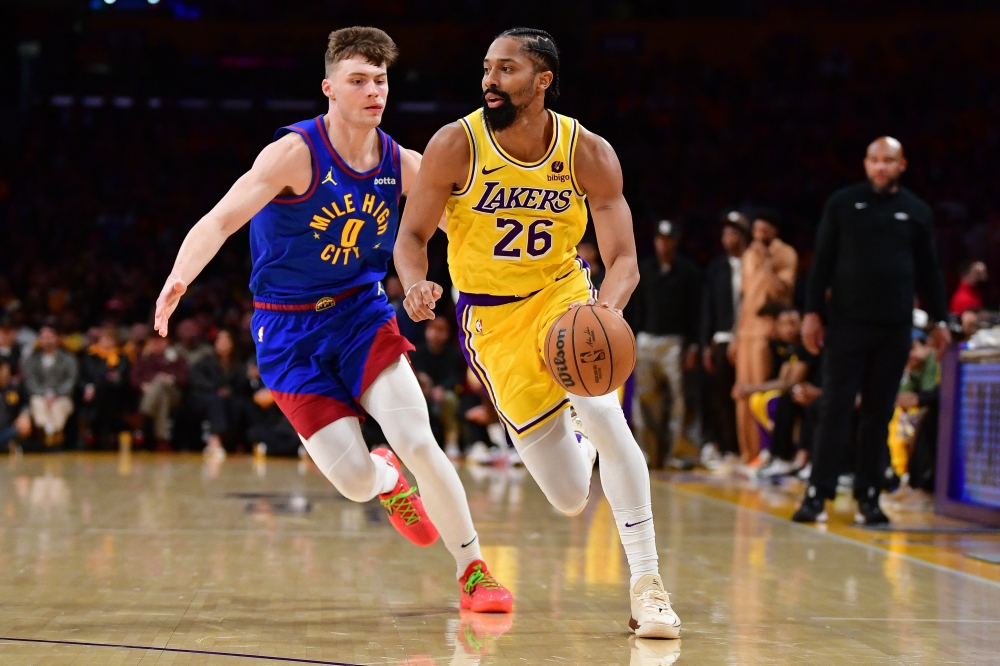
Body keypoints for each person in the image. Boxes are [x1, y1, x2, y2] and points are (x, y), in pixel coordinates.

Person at [151, 27, 511, 613]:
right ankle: (386, 481)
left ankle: (473, 569)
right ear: (329, 89)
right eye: (358, 80)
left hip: (361, 315)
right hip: (287, 332)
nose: (373, 91)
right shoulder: (294, 153)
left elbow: (468, 230)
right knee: (353, 482)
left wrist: (535, 269)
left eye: (381, 80)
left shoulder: (404, 163)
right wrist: (179, 278)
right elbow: (220, 220)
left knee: (419, 438)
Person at [394, 28, 680, 638]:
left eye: (507, 70)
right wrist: (415, 284)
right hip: (492, 321)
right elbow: (412, 237)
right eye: (487, 69)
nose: (490, 81)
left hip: (562, 296)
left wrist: (603, 313)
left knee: (604, 412)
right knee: (570, 496)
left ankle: (649, 586)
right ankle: (576, 433)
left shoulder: (587, 152)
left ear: (543, 80)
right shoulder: (455, 145)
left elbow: (624, 258)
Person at [794, 136, 951, 525]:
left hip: (894, 328)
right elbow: (822, 264)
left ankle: (868, 496)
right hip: (847, 325)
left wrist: (941, 319)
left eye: (889, 161)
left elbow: (930, 271)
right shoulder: (843, 204)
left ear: (902, 165)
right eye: (875, 160)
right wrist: (812, 313)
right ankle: (818, 492)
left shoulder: (916, 212)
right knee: (835, 407)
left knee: (879, 413)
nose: (881, 167)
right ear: (865, 164)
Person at [630, 219, 702, 467]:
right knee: (646, 398)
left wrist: (694, 344)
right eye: (660, 239)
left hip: (675, 342)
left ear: (676, 242)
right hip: (647, 339)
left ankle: (679, 453)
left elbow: (696, 311)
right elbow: (635, 307)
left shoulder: (688, 271)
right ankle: (648, 454)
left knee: (680, 399)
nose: (664, 244)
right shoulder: (645, 269)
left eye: (669, 239)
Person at [732, 209, 798, 464]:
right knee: (740, 394)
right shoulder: (748, 255)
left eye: (763, 230)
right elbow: (744, 297)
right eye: (755, 230)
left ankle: (764, 452)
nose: (758, 235)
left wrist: (767, 264)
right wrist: (736, 335)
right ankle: (747, 454)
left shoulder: (786, 254)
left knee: (757, 393)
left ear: (774, 231)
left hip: (767, 331)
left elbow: (782, 292)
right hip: (746, 331)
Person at [732, 307, 817, 477]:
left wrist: (750, 388)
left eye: (793, 323)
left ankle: (786, 457)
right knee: (758, 400)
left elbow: (790, 382)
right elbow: (782, 379)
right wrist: (752, 390)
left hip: (813, 393)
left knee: (781, 401)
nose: (788, 329)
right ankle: (768, 451)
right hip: (798, 393)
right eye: (783, 324)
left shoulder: (806, 346)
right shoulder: (788, 348)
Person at [700, 211, 750, 466]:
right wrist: (705, 343)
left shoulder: (752, 263)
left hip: (749, 338)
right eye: (725, 233)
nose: (727, 237)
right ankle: (726, 446)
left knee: (744, 392)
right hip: (721, 338)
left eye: (733, 232)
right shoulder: (716, 268)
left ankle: (747, 448)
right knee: (721, 394)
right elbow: (707, 308)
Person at [410, 316, 466, 458]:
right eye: (433, 329)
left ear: (447, 334)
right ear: (426, 331)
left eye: (441, 330)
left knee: (450, 399)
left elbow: (456, 377)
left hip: (444, 394)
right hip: (422, 392)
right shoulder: (418, 351)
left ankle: (451, 442)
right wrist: (423, 386)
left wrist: (441, 388)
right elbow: (414, 375)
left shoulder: (453, 354)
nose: (436, 334)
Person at [188, 329, 245, 458]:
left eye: (226, 340)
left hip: (226, 398)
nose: (223, 343)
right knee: (216, 400)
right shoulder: (205, 361)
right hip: (203, 397)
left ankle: (234, 443)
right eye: (220, 340)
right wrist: (216, 389)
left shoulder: (237, 364)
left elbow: (239, 384)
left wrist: (228, 391)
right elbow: (196, 380)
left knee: (239, 404)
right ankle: (215, 441)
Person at [21, 324, 79, 447]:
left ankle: (53, 436)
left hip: (62, 395)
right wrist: (44, 393)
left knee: (59, 406)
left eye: (49, 336)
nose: (46, 340)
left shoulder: (69, 359)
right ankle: (48, 433)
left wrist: (55, 393)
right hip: (39, 394)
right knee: (37, 403)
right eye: (43, 337)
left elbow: (71, 380)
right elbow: (30, 381)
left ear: (57, 338)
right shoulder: (32, 359)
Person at [130, 334, 188, 449]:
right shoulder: (144, 357)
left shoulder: (175, 356)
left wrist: (171, 379)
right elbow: (133, 378)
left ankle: (144, 413)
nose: (156, 344)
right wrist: (142, 385)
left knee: (160, 380)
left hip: (174, 393)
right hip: (156, 395)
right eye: (153, 341)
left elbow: (184, 379)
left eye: (160, 341)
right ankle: (162, 440)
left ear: (166, 342)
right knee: (162, 397)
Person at [79, 324, 131, 449]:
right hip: (93, 396)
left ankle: (106, 435)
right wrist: (88, 386)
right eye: (104, 339)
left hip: (115, 397)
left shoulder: (122, 358)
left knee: (107, 395)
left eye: (110, 339)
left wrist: (112, 379)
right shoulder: (91, 356)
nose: (106, 342)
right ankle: (94, 434)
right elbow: (83, 377)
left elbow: (123, 379)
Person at [0, 360, 31, 452]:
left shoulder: (16, 388)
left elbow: (26, 403)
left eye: (3, 369)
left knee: (19, 429)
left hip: (10, 429)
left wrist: (24, 415)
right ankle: (7, 446)